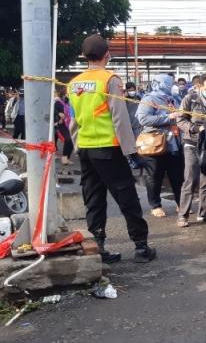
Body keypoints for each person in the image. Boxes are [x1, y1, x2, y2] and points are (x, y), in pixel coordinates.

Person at [67, 34, 155, 263]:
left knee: (94, 199)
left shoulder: (74, 83)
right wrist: (131, 151)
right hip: (108, 148)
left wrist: (77, 146)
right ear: (107, 54)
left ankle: (98, 249)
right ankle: (141, 247)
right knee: (127, 197)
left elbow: (73, 120)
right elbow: (120, 118)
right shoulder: (110, 80)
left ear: (84, 56)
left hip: (86, 149)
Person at [136, 74, 185, 217]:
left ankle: (181, 203)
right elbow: (143, 118)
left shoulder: (174, 98)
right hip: (155, 143)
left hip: (174, 144)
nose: (172, 85)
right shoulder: (149, 99)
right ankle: (155, 205)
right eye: (169, 83)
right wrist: (167, 118)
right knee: (154, 175)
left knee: (177, 176)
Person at [175, 73, 206, 227]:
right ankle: (183, 215)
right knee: (190, 179)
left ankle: (204, 213)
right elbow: (180, 119)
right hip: (191, 143)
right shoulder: (190, 99)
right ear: (204, 83)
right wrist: (194, 128)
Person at [53, 86, 74, 166]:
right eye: (67, 92)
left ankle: (66, 158)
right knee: (68, 139)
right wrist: (58, 115)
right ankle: (64, 159)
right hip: (61, 124)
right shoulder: (57, 101)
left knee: (72, 140)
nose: (68, 94)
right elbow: (52, 109)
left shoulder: (69, 100)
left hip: (70, 122)